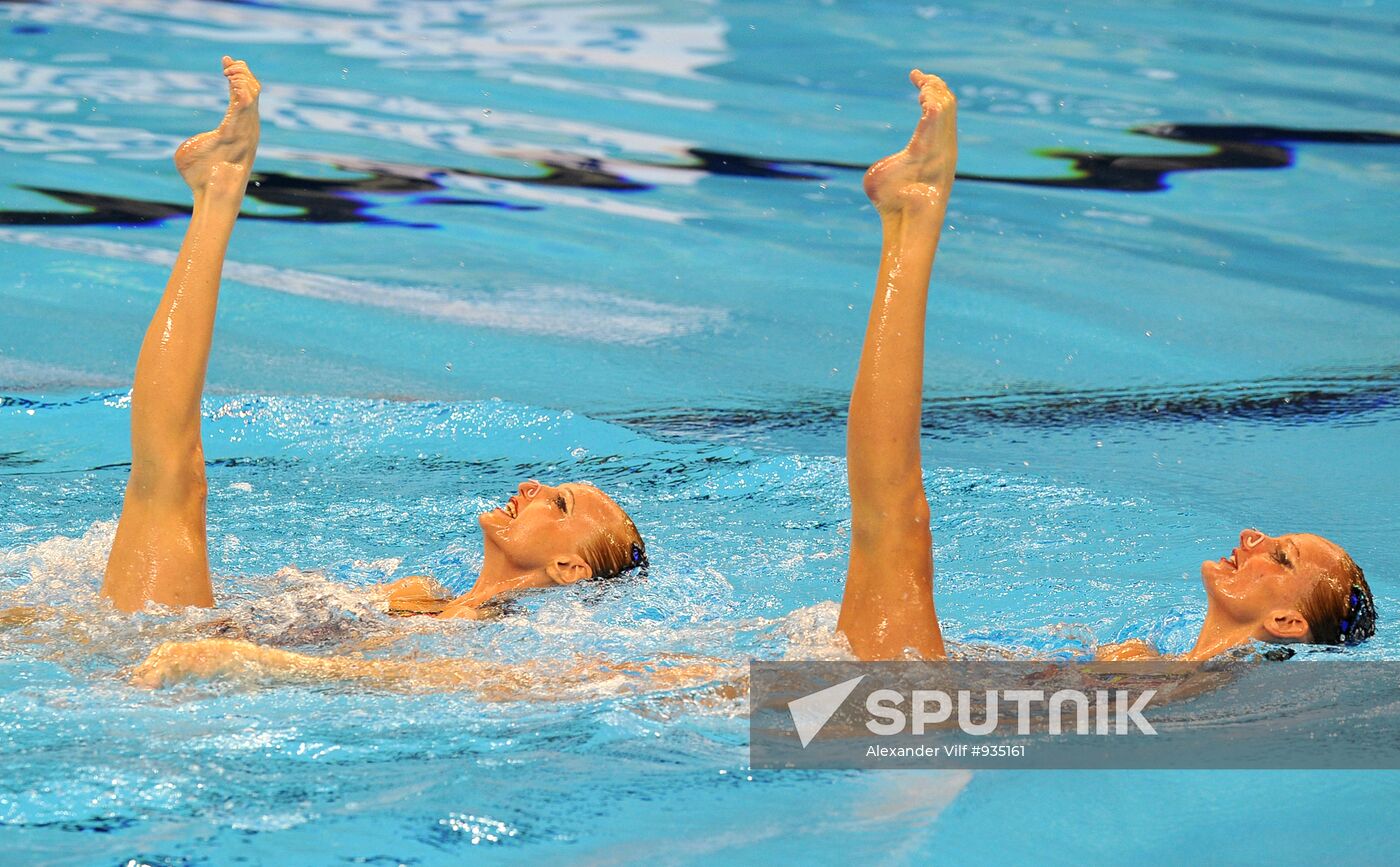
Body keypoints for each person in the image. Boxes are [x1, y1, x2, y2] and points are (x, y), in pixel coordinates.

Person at [129, 68, 1375, 689]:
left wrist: (260, 666)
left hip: (901, 707)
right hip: (896, 701)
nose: (1251, 536)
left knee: (894, 518)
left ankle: (914, 223)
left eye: (1281, 556)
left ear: (1283, 624)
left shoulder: (1208, 690)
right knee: (163, 480)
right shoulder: (1160, 669)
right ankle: (218, 188)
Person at [99, 58, 646, 624]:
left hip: (183, 659)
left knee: (174, 475)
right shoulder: (417, 595)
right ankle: (218, 188)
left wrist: (220, 658)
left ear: (569, 568)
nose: (532, 486)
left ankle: (220, 189)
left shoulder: (475, 633)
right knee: (172, 474)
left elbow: (354, 669)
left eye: (560, 503)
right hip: (183, 644)